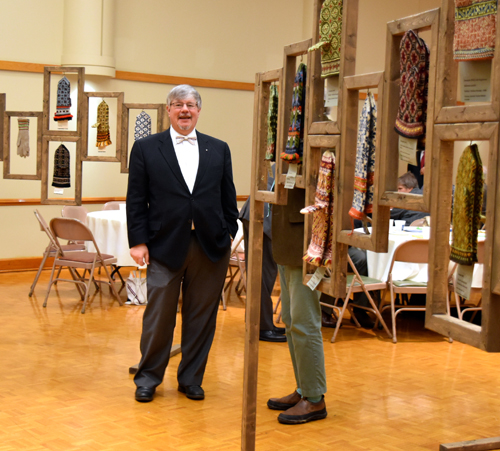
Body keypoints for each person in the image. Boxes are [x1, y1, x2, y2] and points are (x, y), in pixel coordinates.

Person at [126, 84, 239, 403]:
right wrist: (138, 241)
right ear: (169, 110)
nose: (185, 110)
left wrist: (228, 230)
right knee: (158, 316)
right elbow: (136, 199)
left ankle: (191, 378)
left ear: (199, 110)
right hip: (163, 246)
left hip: (210, 246)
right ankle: (148, 378)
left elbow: (228, 197)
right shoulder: (146, 148)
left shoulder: (219, 148)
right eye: (178, 105)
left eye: (190, 104)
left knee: (201, 317)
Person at [267, 187, 327, 424]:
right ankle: (304, 388)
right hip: (286, 238)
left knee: (304, 321)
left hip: (305, 238)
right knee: (291, 320)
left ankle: (314, 398)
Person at [239, 167, 286, 343]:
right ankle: (262, 327)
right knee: (261, 277)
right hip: (262, 218)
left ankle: (261, 323)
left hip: (259, 216)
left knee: (264, 276)